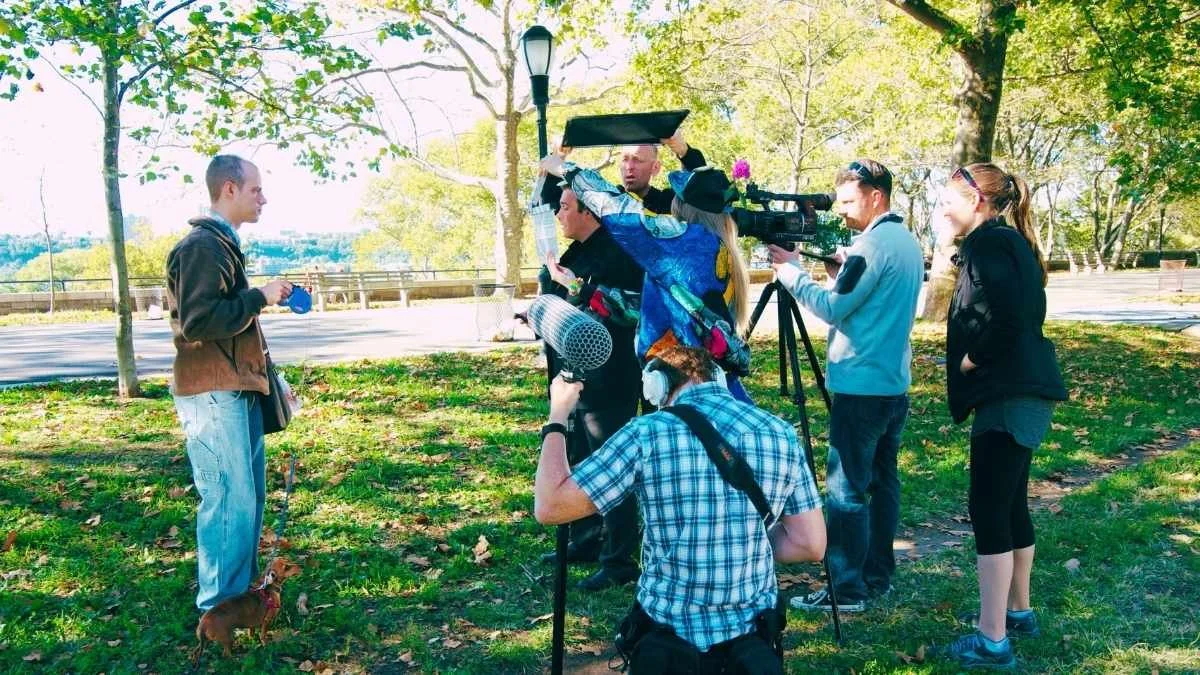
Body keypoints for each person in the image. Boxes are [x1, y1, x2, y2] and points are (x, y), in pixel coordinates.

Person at [533, 345, 826, 674]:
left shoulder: (646, 434)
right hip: (751, 647)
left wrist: (557, 416)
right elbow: (809, 543)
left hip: (667, 645)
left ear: (655, 387)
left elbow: (551, 506)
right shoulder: (779, 433)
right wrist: (740, 538)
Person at [768, 159, 924, 613]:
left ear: (876, 196)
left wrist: (792, 273)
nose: (842, 211)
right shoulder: (904, 241)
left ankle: (846, 588)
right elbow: (867, 300)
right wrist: (841, 272)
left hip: (862, 386)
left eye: (849, 201)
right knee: (883, 482)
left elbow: (833, 310)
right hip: (892, 382)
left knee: (846, 490)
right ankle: (877, 575)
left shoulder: (872, 245)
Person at [934, 162, 1067, 670]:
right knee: (1009, 504)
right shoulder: (1003, 242)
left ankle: (992, 640)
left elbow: (1013, 318)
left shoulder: (992, 244)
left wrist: (973, 358)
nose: (943, 206)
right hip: (1019, 394)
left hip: (1010, 394)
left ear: (978, 202)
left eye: (949, 197)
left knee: (988, 508)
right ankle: (1018, 612)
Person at [166, 154, 294, 611]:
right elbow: (200, 322)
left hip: (234, 389)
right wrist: (259, 296)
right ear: (229, 190)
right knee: (226, 499)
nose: (263, 197)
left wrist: (270, 382)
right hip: (211, 394)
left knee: (247, 498)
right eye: (256, 189)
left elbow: (235, 328)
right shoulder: (202, 246)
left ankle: (235, 600)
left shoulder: (222, 244)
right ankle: (217, 609)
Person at [542, 155, 754, 402]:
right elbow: (643, 310)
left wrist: (564, 168)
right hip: (711, 388)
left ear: (684, 207)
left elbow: (616, 207)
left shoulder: (684, 244)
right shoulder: (715, 248)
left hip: (693, 391)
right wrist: (576, 286)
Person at [536, 181, 645, 591]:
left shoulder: (617, 251)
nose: (560, 214)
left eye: (565, 207)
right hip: (576, 372)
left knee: (612, 465)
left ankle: (619, 560)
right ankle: (585, 537)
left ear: (588, 212)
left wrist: (576, 288)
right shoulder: (578, 249)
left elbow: (628, 306)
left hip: (612, 374)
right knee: (577, 456)